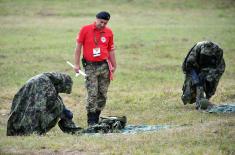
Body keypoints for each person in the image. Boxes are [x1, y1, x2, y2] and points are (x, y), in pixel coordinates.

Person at [74, 11, 116, 126]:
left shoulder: (108, 32)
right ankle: (91, 121)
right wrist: (76, 64)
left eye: (105, 23)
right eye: (101, 22)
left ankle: (96, 118)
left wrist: (114, 65)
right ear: (96, 19)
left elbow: (111, 49)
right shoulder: (85, 29)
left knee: (102, 94)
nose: (102, 25)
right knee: (92, 93)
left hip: (104, 66)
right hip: (90, 66)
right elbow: (78, 47)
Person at [7, 72, 81, 136]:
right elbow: (51, 105)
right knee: (57, 107)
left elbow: (56, 98)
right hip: (31, 124)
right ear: (61, 83)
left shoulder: (46, 80)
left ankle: (20, 130)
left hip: (17, 126)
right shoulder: (46, 83)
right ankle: (31, 131)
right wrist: (65, 113)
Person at [181, 41, 225, 110]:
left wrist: (209, 80)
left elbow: (219, 69)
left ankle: (204, 100)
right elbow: (188, 67)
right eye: (204, 56)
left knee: (210, 84)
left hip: (212, 68)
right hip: (195, 67)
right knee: (188, 96)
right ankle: (197, 98)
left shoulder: (218, 52)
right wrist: (196, 80)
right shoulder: (196, 51)